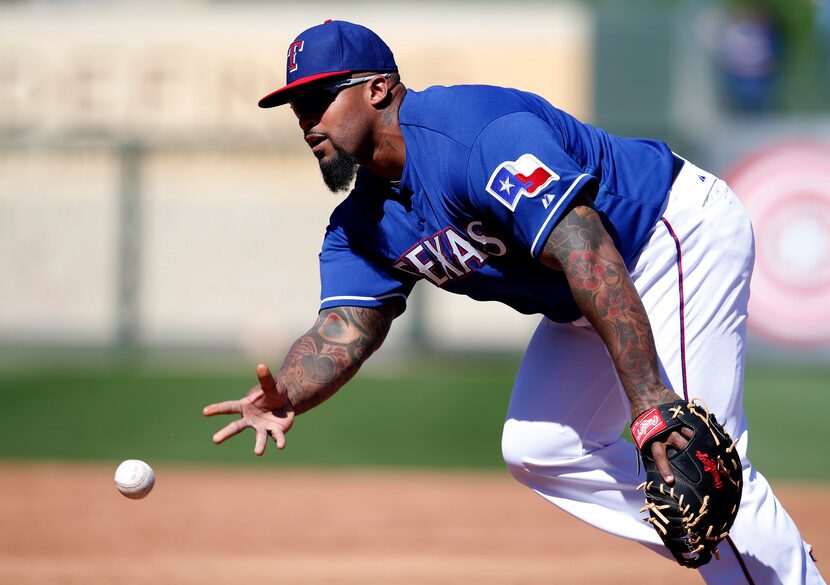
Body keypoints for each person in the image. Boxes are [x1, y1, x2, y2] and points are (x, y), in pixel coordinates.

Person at [203, 20, 825, 584]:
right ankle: (724, 529)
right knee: (540, 450)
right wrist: (289, 387)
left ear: (378, 90)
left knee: (685, 450)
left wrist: (652, 405)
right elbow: (345, 327)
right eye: (296, 107)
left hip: (664, 237)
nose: (307, 121)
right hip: (588, 294)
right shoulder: (359, 224)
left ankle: (765, 560)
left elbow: (587, 249)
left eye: (319, 99)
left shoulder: (473, 135)